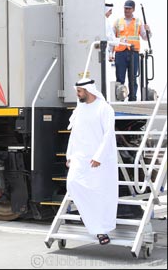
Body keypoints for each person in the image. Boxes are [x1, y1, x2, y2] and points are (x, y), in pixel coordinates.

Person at [66, 78, 118, 245]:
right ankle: (91, 223)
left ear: (88, 91)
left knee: (100, 194)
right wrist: (69, 155)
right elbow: (74, 134)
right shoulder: (80, 109)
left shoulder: (104, 108)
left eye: (79, 91)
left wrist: (98, 157)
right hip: (79, 158)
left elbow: (108, 134)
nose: (77, 94)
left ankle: (101, 230)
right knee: (73, 183)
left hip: (99, 160)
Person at [113, 0, 152, 101]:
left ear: (133, 9)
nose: (127, 10)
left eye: (129, 8)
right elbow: (112, 38)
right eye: (125, 8)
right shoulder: (117, 21)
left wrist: (148, 30)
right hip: (120, 52)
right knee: (120, 78)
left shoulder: (138, 22)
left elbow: (145, 37)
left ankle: (133, 98)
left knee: (133, 78)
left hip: (133, 53)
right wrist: (110, 53)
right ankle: (120, 98)